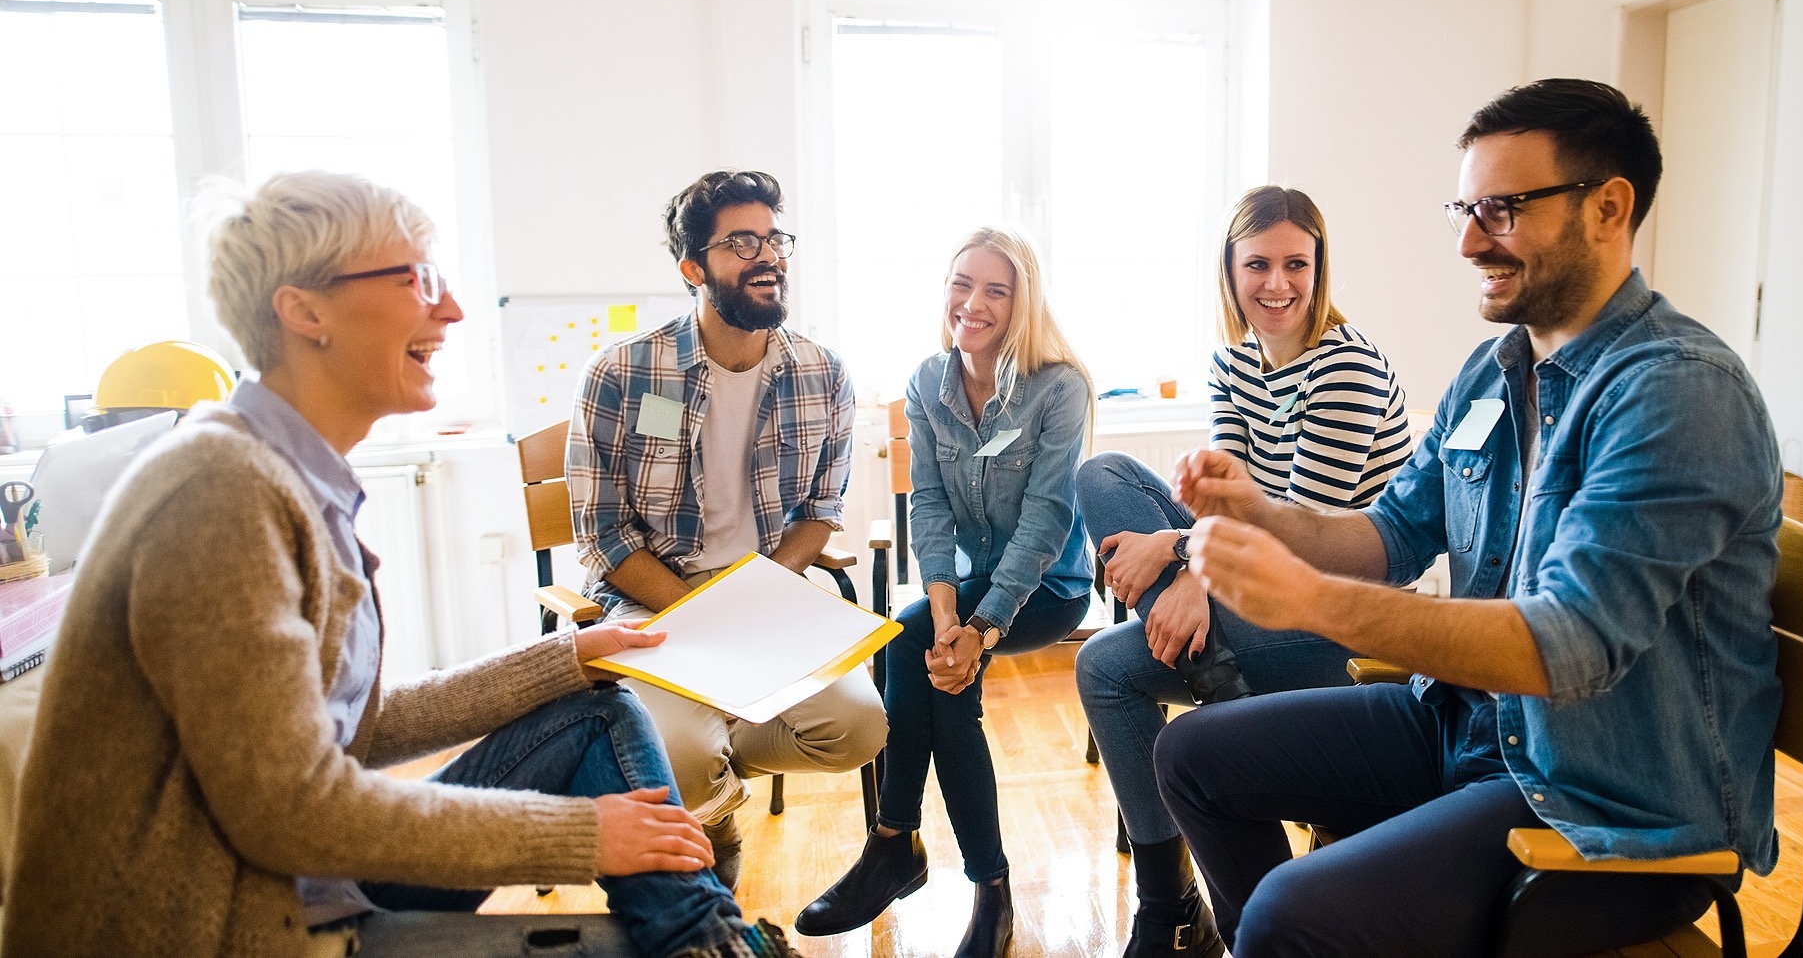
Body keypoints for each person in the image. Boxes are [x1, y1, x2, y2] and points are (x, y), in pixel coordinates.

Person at [2, 170, 801, 958]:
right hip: (230, 925)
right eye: (417, 279)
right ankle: (715, 940)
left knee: (597, 702)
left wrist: (565, 657)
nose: (452, 308)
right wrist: (585, 832)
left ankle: (711, 937)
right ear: (304, 310)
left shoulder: (281, 472)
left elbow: (364, 723)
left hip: (307, 882)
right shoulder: (219, 492)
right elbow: (288, 807)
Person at [1157, 79, 1786, 957]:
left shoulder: (1676, 392)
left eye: (1500, 208)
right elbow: (1391, 534)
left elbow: (1566, 644)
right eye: (1464, 206)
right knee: (1193, 758)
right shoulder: (1495, 371)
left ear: (1608, 208)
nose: (1465, 240)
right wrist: (1260, 510)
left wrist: (1306, 598)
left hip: (1604, 805)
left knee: (1287, 915)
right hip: (1468, 727)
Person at [1073, 185, 1413, 956]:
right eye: (1257, 263)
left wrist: (1182, 558)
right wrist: (1192, 554)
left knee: (1104, 665)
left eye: (1296, 262)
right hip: (1259, 592)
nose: (1277, 283)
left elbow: (1300, 533)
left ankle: (1169, 907)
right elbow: (1227, 499)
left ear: (1320, 268)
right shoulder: (1235, 361)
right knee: (1102, 475)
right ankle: (1216, 681)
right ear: (1229, 271)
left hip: (1337, 612)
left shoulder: (1348, 367)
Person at [568, 170, 886, 888]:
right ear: (692, 267)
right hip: (656, 601)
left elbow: (820, 514)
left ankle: (709, 755)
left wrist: (757, 604)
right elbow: (604, 533)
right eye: (742, 242)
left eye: (775, 238)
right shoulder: (623, 373)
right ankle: (713, 820)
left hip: (766, 593)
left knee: (860, 728)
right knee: (676, 754)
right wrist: (705, 625)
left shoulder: (823, 372)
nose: (768, 255)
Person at [794, 227, 1094, 958]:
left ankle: (961, 877)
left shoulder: (1060, 388)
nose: (974, 302)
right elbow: (926, 504)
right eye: (963, 282)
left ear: (1023, 302)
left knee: (948, 672)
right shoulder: (928, 382)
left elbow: (1047, 520)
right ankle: (908, 848)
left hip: (1048, 582)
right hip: (969, 581)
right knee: (912, 634)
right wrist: (948, 610)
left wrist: (981, 628)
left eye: (997, 288)